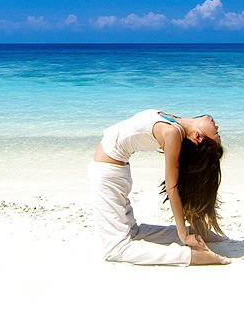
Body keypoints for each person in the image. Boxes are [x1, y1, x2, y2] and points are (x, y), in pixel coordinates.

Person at [88, 109, 231, 266]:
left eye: (217, 135)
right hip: (115, 172)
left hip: (107, 174)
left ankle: (192, 256)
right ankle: (195, 233)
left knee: (116, 250)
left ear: (198, 137)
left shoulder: (173, 132)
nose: (217, 128)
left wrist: (183, 235)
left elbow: (172, 187)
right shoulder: (175, 123)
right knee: (133, 232)